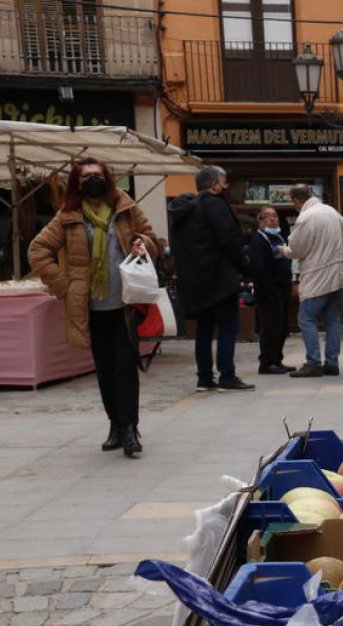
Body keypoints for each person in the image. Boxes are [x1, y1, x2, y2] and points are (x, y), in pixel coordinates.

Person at [28, 157, 158, 457]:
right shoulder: (68, 215)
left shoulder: (124, 207)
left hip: (125, 302)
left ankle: (129, 428)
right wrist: (64, 287)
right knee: (105, 369)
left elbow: (153, 239)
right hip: (90, 307)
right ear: (77, 182)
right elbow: (38, 250)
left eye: (97, 175)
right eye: (86, 177)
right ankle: (114, 423)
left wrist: (142, 244)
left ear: (108, 178)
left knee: (126, 367)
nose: (92, 180)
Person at [169, 165, 254, 392]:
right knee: (228, 328)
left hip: (194, 281)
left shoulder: (183, 210)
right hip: (220, 279)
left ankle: (204, 378)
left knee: (204, 330)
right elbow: (229, 240)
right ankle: (227, 375)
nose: (226, 186)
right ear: (215, 184)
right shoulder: (215, 205)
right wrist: (245, 266)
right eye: (224, 182)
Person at [278, 184, 343, 378]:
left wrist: (284, 250)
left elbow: (296, 250)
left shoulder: (305, 217)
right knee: (332, 319)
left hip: (317, 273)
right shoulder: (330, 210)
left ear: (296, 201)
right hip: (336, 271)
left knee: (306, 317)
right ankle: (332, 362)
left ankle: (313, 362)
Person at [246, 207, 295, 375]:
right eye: (267, 217)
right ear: (260, 222)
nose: (272, 219)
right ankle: (266, 362)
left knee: (281, 327)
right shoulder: (258, 240)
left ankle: (277, 359)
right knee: (270, 327)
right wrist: (270, 288)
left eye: (274, 216)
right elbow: (258, 268)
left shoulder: (279, 237)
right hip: (269, 290)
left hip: (283, 288)